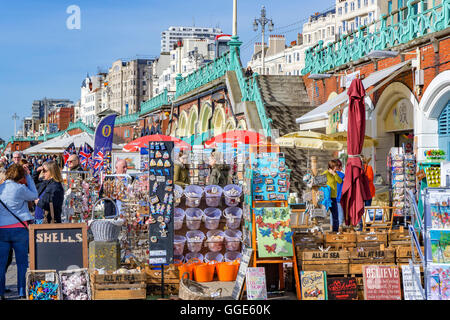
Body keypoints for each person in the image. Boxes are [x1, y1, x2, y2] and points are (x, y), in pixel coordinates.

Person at [0, 164, 38, 299]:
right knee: (22, 263)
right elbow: (34, 195)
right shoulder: (20, 188)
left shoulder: (1, 188)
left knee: (1, 263)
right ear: (20, 175)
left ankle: (1, 293)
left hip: (2, 229)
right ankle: (22, 291)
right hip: (19, 229)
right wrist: (29, 177)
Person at [323, 160, 343, 233]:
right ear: (331, 167)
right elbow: (320, 182)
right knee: (323, 214)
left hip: (334, 197)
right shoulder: (325, 173)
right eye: (335, 167)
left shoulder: (335, 174)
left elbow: (340, 181)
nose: (336, 168)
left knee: (335, 215)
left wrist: (334, 174)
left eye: (336, 167)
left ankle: (335, 231)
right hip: (327, 197)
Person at [335, 159, 345, 229]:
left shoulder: (330, 175)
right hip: (340, 197)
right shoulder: (343, 175)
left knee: (333, 214)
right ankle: (340, 226)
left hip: (332, 197)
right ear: (340, 167)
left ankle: (333, 226)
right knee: (340, 212)